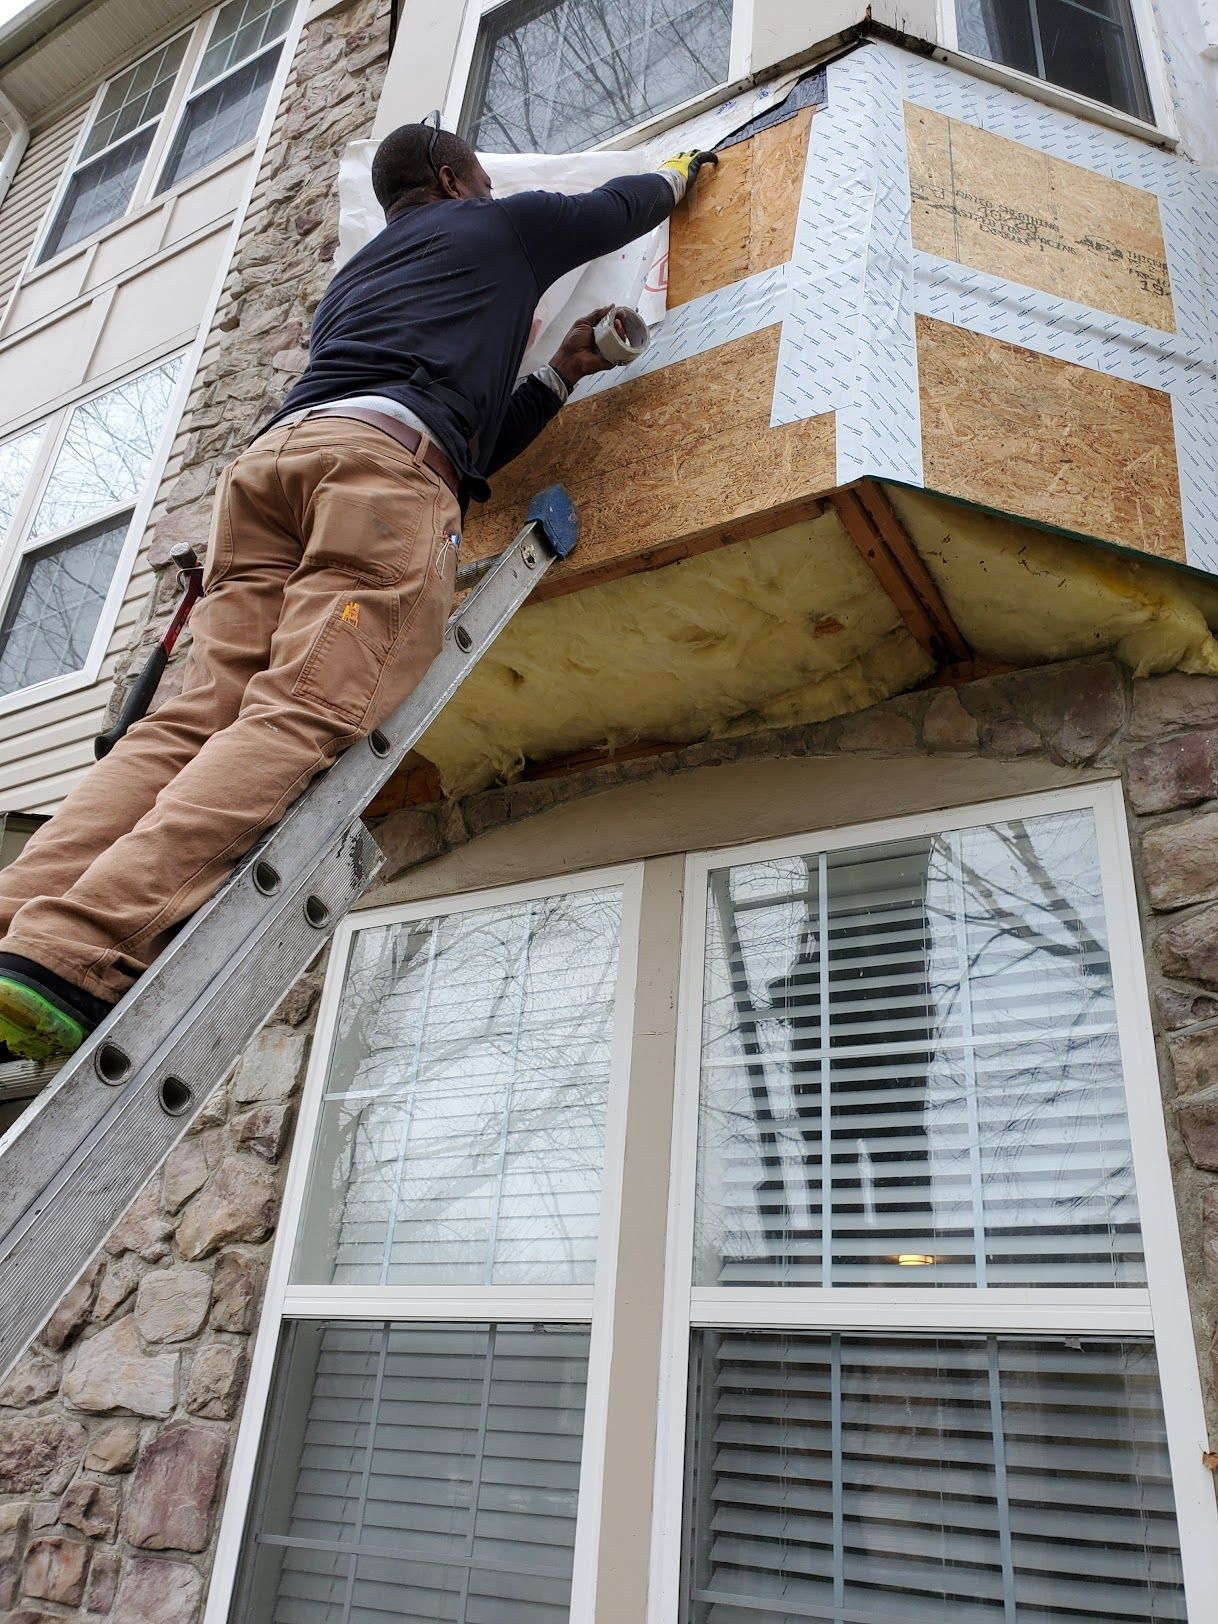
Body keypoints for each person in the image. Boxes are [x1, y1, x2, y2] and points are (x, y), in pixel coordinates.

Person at [0, 122, 717, 1061]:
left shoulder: (358, 279)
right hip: (372, 474)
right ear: (457, 180)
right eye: (483, 181)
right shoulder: (499, 226)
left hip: (272, 470)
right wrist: (676, 173)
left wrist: (557, 372)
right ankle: (79, 949)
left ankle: (15, 924)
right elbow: (619, 207)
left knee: (192, 721)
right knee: (302, 708)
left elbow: (470, 446)